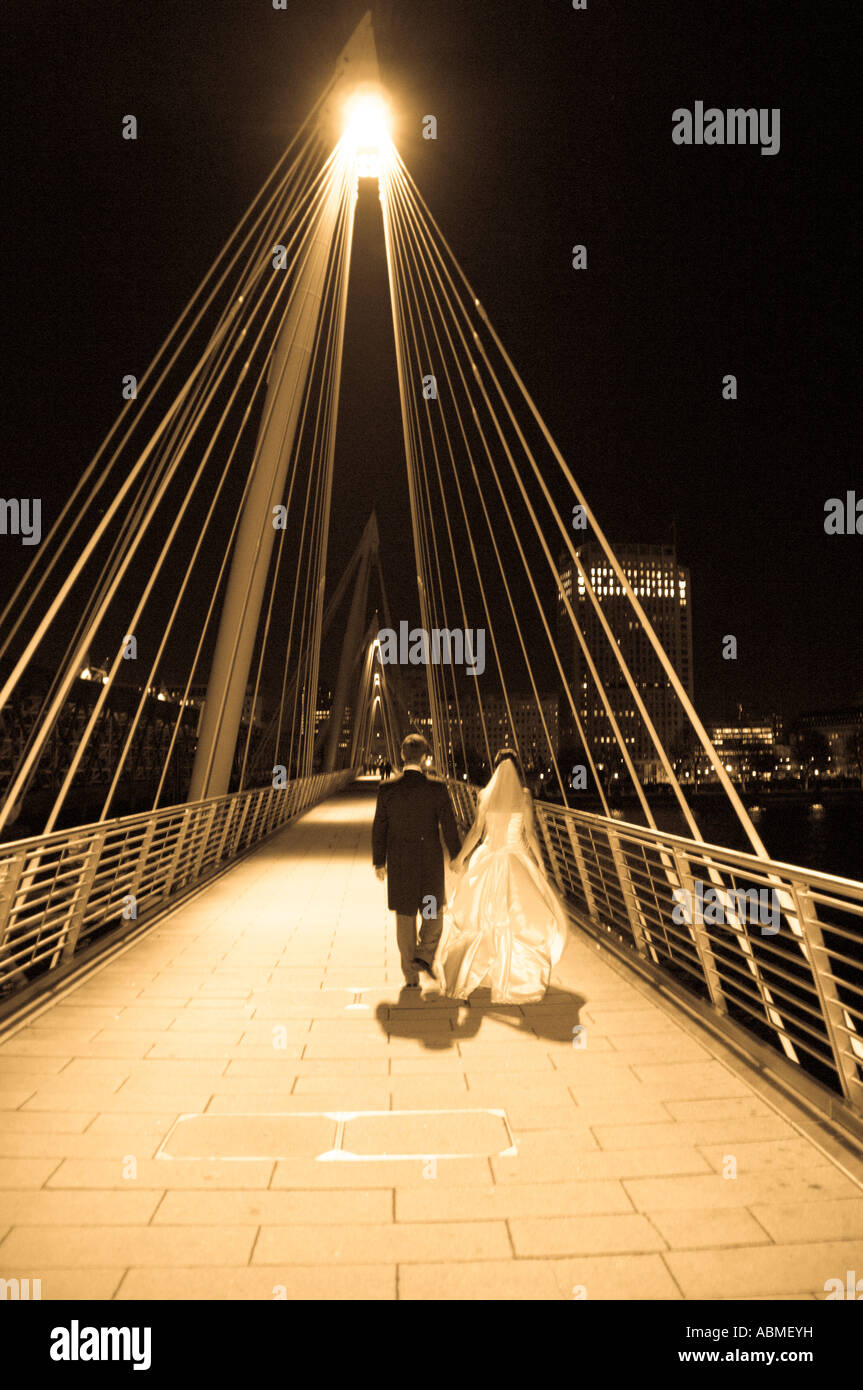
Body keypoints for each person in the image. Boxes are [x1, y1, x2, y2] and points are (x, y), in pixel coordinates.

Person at [437, 748, 568, 1004]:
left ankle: (476, 972)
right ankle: (512, 978)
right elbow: (529, 835)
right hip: (515, 858)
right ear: (518, 768)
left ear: (494, 768)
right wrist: (540, 864)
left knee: (479, 920)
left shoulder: (484, 794)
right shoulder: (524, 796)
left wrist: (461, 858)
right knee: (517, 921)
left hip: (487, 858)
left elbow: (476, 832)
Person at [372, 734, 462, 991]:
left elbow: (379, 827)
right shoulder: (437, 788)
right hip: (429, 864)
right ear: (425, 758)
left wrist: (379, 862)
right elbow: (449, 826)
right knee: (433, 914)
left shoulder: (386, 789)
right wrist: (456, 855)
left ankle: (410, 976)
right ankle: (424, 954)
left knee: (405, 918)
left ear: (402, 756)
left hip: (400, 863)